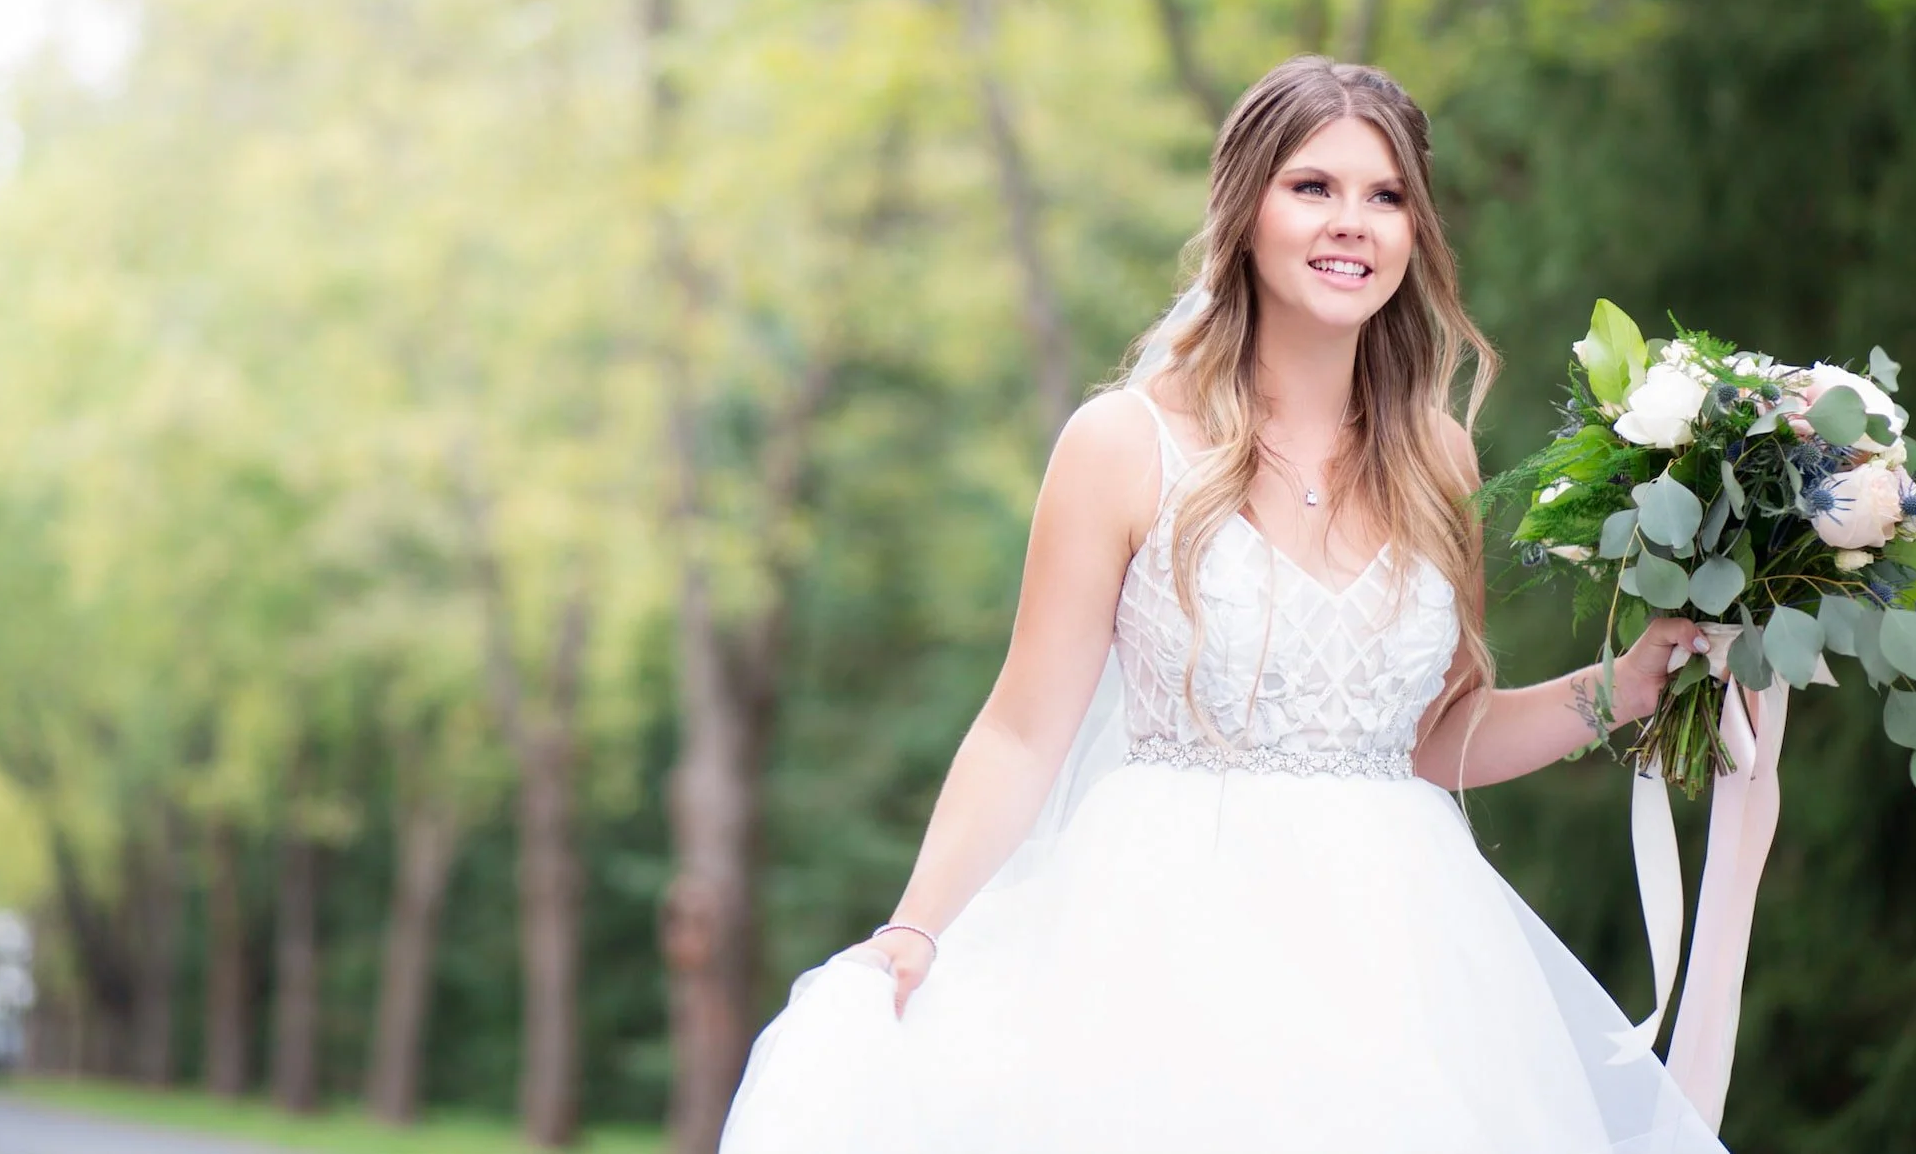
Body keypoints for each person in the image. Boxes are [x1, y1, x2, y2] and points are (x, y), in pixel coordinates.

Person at [719, 57, 1729, 1153]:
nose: (1352, 223)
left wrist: (1617, 689)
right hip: (1161, 942)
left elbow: (1437, 735)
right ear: (1244, 208)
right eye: (1313, 187)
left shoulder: (1437, 459)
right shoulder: (1121, 443)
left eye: (1384, 197)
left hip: (1396, 961)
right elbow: (1021, 728)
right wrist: (916, 926)